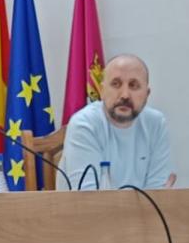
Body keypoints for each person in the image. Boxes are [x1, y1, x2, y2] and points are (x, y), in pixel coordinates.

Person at [62, 54, 174, 190]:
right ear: (102, 91)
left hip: (144, 211)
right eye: (116, 84)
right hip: (82, 211)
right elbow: (87, 198)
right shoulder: (84, 124)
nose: (125, 95)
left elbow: (157, 193)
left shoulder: (156, 123)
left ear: (147, 94)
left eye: (134, 85)